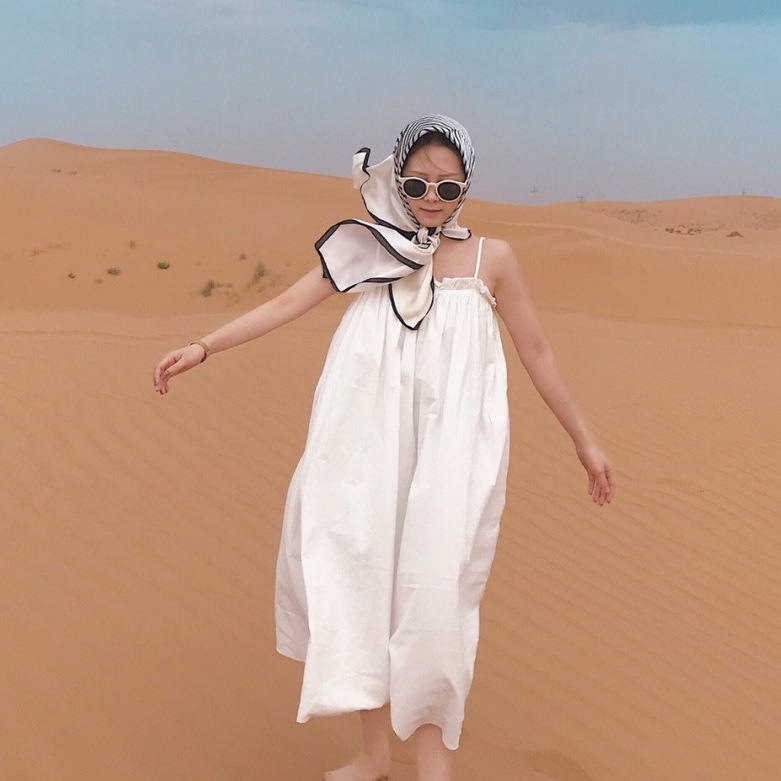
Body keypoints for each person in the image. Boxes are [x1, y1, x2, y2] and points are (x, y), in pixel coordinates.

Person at [153, 114, 615, 781]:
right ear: (397, 180)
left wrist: (583, 440)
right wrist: (204, 346)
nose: (431, 197)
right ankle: (374, 755)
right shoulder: (366, 248)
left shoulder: (493, 260)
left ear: (465, 187)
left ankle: (432, 764)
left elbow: (536, 351)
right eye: (417, 183)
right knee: (359, 576)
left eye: (447, 186)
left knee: (436, 594)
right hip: (364, 442)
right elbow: (287, 302)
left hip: (451, 451)